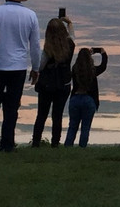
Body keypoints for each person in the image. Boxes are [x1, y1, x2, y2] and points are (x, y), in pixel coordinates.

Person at [0, 0, 39, 152]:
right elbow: (35, 46)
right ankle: (7, 143)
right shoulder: (30, 15)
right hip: (18, 67)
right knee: (12, 107)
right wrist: (36, 68)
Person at [31, 16, 74, 148]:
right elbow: (72, 35)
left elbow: (40, 66)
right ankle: (55, 143)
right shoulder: (70, 45)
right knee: (57, 115)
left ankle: (36, 142)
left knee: (41, 115)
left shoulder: (47, 51)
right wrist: (69, 23)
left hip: (47, 86)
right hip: (63, 85)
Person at [64, 47, 107, 148]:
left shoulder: (74, 69)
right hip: (89, 100)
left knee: (72, 126)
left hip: (75, 99)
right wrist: (98, 50)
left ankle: (68, 147)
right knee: (85, 127)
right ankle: (82, 148)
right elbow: (103, 65)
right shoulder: (93, 70)